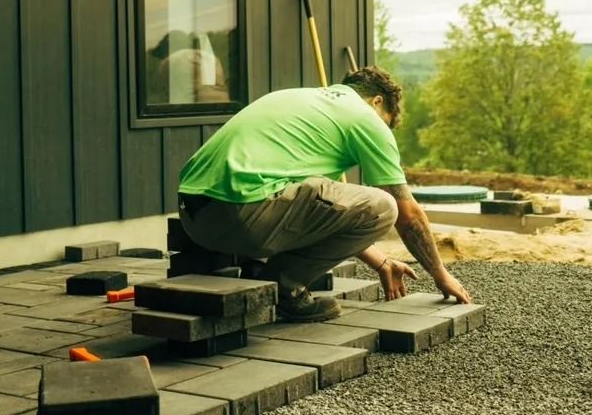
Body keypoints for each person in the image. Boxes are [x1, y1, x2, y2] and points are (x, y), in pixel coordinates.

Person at [177, 66, 471, 322]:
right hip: (242, 220)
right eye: (386, 121)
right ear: (377, 101)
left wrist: (381, 261)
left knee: (318, 193)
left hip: (196, 221)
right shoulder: (366, 119)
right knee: (385, 206)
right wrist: (440, 275)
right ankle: (285, 288)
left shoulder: (296, 100)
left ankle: (254, 268)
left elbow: (328, 216)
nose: (385, 131)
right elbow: (408, 216)